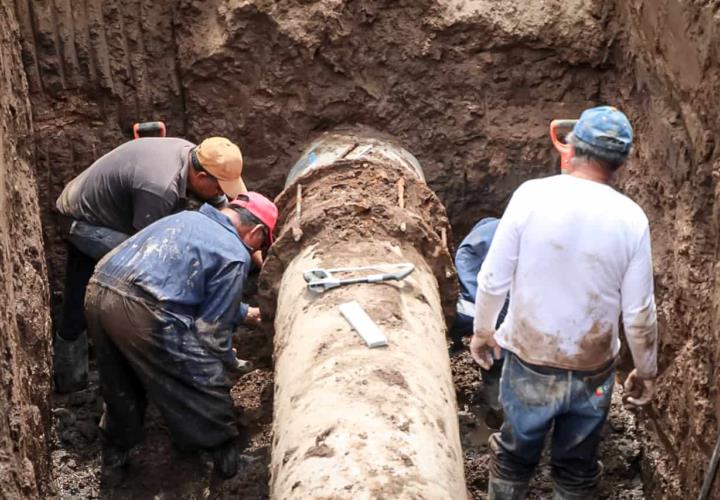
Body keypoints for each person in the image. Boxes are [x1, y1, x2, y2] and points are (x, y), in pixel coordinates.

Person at [470, 106, 658, 499]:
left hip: (530, 361)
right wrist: (645, 369)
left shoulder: (531, 196)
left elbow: (492, 279)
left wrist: (483, 332)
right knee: (576, 467)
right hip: (592, 371)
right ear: (620, 162)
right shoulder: (632, 219)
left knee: (515, 453)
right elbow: (638, 315)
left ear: (570, 148)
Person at [84, 192, 277, 483]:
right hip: (145, 310)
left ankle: (114, 462)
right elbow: (211, 333)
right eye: (260, 246)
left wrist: (242, 312)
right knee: (203, 379)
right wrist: (227, 363)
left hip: (99, 290)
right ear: (257, 232)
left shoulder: (186, 219)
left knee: (120, 383)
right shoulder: (235, 254)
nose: (254, 254)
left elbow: (178, 280)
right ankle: (225, 460)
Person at [53, 136, 247, 393]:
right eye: (220, 187)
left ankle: (74, 371)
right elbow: (151, 258)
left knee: (81, 290)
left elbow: (219, 205)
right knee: (147, 286)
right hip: (84, 223)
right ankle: (79, 380)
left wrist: (248, 249)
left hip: (99, 208)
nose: (222, 194)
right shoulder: (159, 189)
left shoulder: (195, 155)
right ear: (200, 178)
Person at [450, 217, 508, 418]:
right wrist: (487, 328)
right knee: (496, 348)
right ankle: (499, 409)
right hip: (480, 292)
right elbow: (491, 288)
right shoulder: (491, 245)